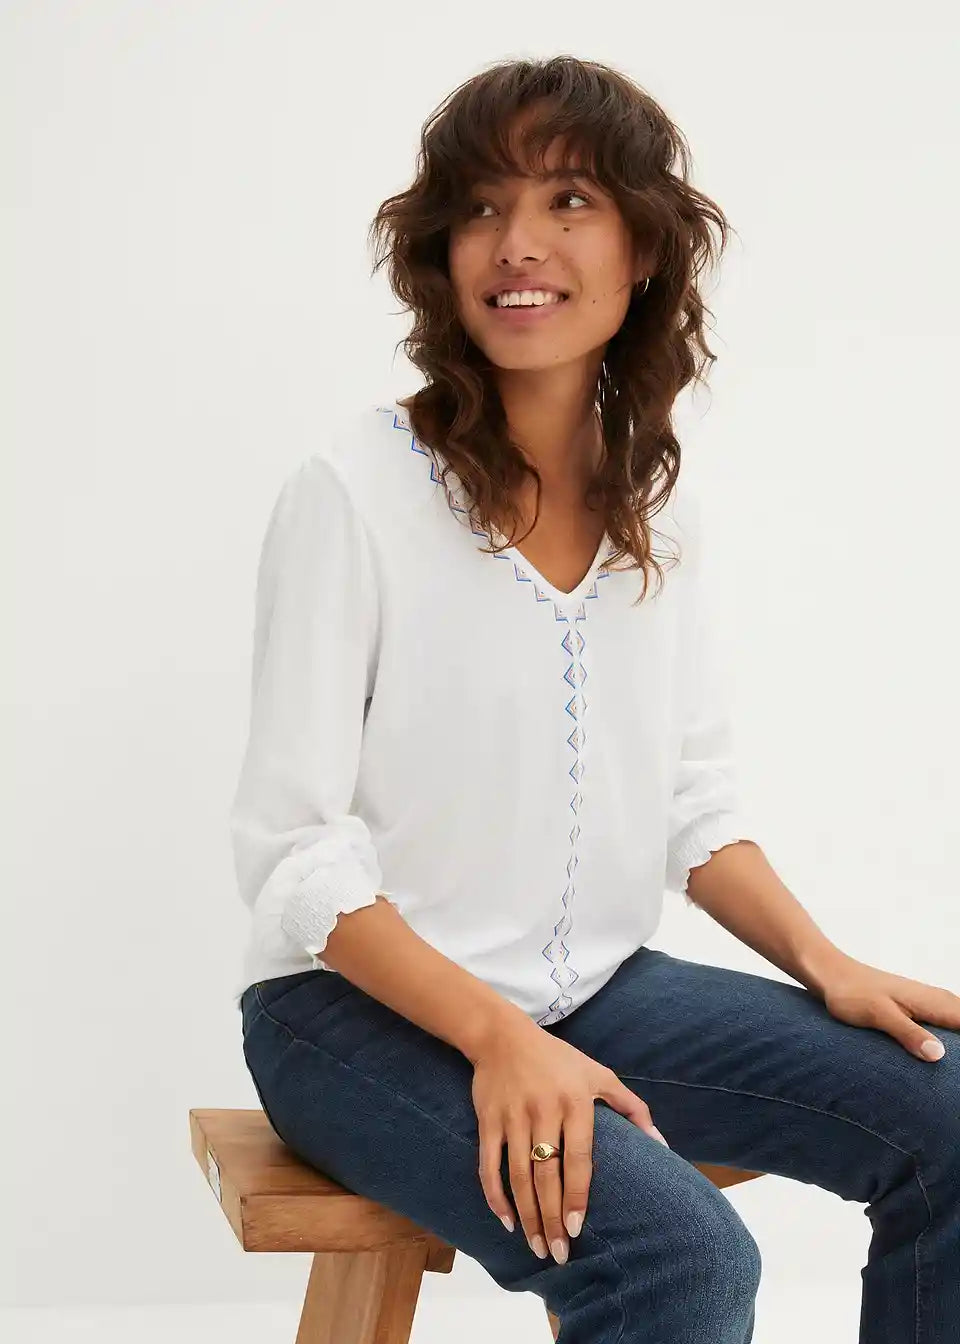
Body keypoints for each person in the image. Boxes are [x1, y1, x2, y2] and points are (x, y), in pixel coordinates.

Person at [230, 56, 959, 1343]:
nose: (519, 243)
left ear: (644, 248)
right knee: (680, 1258)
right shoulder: (353, 490)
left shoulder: (655, 508)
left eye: (569, 200)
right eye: (481, 206)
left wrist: (825, 964)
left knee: (951, 1110)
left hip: (593, 993)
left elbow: (692, 804)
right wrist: (497, 1040)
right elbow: (293, 853)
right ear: (440, 253)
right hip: (350, 1021)